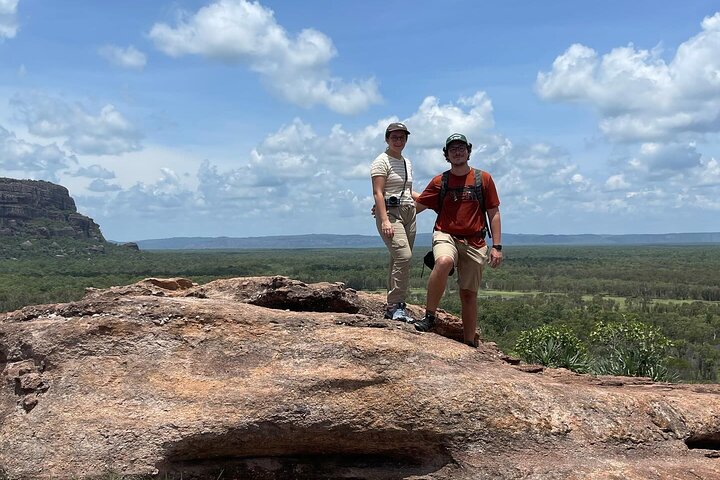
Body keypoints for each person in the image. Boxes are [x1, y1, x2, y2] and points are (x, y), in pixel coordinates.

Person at [413, 133, 503, 346]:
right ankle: (429, 317)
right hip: (446, 234)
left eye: (461, 147)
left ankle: (469, 342)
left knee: (468, 295)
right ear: (447, 155)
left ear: (469, 151)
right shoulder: (440, 181)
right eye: (452, 149)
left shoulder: (484, 179)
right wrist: (387, 213)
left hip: (475, 241)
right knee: (444, 262)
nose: (457, 151)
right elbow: (417, 206)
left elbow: (494, 212)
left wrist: (497, 246)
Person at [371, 122, 417, 322]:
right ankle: (395, 304)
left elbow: (407, 192)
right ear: (387, 139)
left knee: (396, 258)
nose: (398, 141)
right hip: (391, 214)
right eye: (394, 137)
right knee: (404, 256)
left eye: (402, 137)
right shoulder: (381, 161)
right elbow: (378, 193)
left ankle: (393, 304)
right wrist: (384, 220)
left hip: (409, 211)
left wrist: (430, 200)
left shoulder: (407, 162)